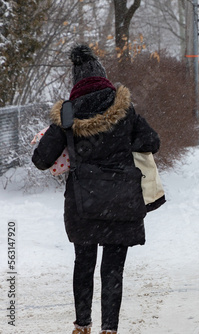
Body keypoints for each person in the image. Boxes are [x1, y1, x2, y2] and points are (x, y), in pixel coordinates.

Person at [31, 44, 160, 334]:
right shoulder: (124, 109)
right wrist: (124, 142)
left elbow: (41, 160)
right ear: (103, 75)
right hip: (121, 202)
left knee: (84, 263)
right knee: (113, 268)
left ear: (76, 79)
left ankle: (82, 325)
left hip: (83, 203)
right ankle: (109, 329)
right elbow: (152, 142)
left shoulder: (67, 113)